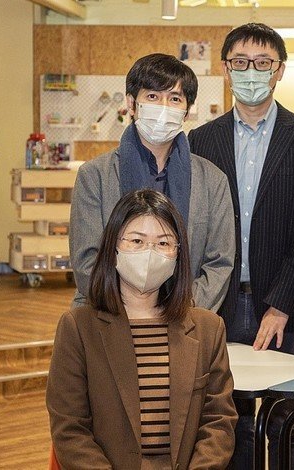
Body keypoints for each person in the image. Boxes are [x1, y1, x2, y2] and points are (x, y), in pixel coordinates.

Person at [188, 23, 294, 470]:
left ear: (280, 70)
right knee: (225, 417)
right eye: (241, 63)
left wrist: (282, 303)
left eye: (263, 63)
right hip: (218, 301)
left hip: (284, 308)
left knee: (289, 415)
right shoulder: (199, 141)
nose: (252, 72)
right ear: (226, 70)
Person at [47, 189, 236, 469]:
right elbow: (70, 429)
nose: (150, 253)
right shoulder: (78, 328)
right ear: (113, 249)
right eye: (136, 241)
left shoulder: (208, 328)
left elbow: (218, 421)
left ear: (177, 254)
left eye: (163, 243)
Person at [70, 53, 235, 314]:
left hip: (185, 316)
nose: (164, 107)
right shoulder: (95, 176)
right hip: (107, 315)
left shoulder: (212, 180)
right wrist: (135, 310)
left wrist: (177, 309)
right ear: (131, 104)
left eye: (175, 99)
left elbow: (220, 262)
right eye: (153, 97)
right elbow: (85, 262)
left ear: (187, 110)